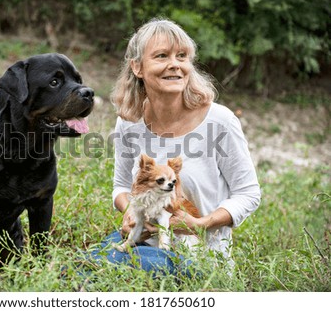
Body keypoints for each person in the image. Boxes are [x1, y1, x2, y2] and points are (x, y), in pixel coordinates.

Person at [91, 18, 261, 277]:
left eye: (182, 56)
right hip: (143, 241)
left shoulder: (220, 121)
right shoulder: (130, 122)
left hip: (198, 256)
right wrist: (129, 212)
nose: (175, 64)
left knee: (109, 268)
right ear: (137, 67)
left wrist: (200, 224)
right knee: (87, 263)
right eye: (162, 56)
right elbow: (122, 187)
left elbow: (248, 194)